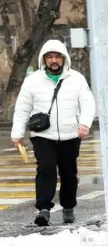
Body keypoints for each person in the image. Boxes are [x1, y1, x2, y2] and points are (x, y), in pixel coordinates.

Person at [11, 39, 95, 227]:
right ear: (44, 59)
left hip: (70, 135)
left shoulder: (77, 79)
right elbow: (23, 108)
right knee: (46, 168)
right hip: (42, 136)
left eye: (57, 56)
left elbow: (88, 103)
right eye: (50, 57)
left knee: (68, 173)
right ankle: (43, 210)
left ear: (64, 58)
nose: (54, 60)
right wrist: (17, 133)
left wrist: (84, 124)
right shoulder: (32, 81)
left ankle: (68, 208)